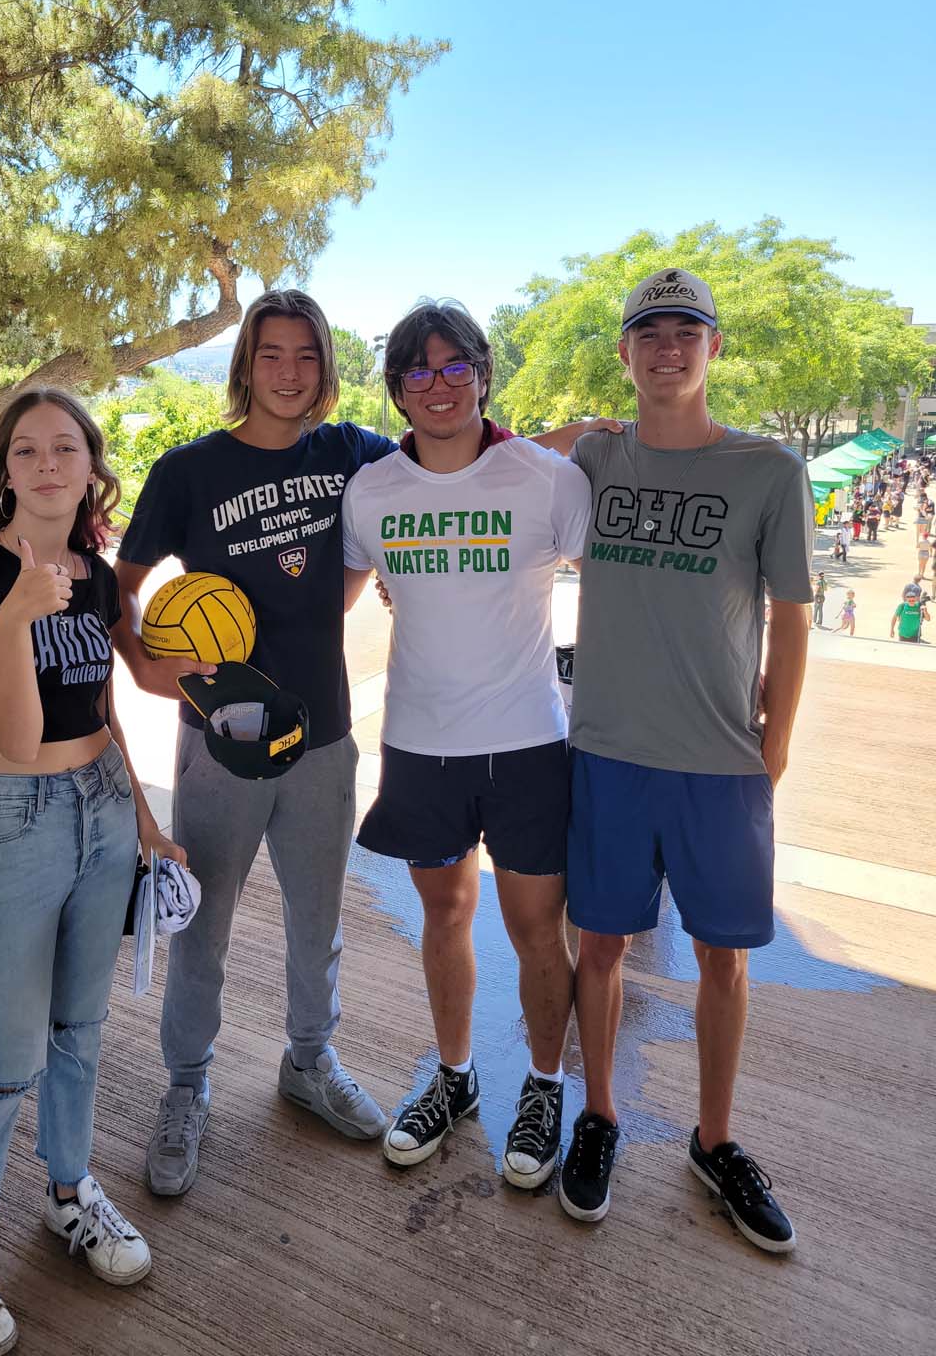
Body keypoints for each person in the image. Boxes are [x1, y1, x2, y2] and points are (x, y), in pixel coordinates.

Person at [0, 388, 183, 1356]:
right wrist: (21, 615)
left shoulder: (98, 576)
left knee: (82, 1031)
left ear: (92, 465)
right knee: (3, 1060)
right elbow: (15, 737)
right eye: (29, 450)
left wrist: (149, 822)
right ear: (5, 470)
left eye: (68, 447)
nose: (50, 464)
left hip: (103, 813)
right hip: (14, 824)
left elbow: (102, 709)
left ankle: (71, 1193)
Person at [114, 290, 396, 1198]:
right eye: (271, 354)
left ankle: (309, 1062)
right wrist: (153, 672)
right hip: (221, 738)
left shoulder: (352, 453)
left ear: (325, 366)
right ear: (245, 364)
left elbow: (451, 462)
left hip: (323, 733)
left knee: (320, 920)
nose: (289, 372)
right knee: (205, 923)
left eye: (306, 355)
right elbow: (120, 587)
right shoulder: (189, 470)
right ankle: (186, 1086)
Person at [563, 268, 812, 1255]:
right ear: (626, 353)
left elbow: (791, 621)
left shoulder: (768, 469)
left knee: (724, 956)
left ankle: (715, 1138)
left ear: (714, 348)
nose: (668, 348)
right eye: (649, 332)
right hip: (609, 750)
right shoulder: (591, 460)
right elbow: (499, 465)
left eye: (687, 332)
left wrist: (775, 744)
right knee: (602, 947)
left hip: (720, 760)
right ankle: (600, 1113)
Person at [342, 302, 592, 1186]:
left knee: (534, 931)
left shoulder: (545, 478)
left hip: (527, 744)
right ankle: (454, 1079)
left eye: (456, 368)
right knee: (443, 916)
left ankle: (545, 1084)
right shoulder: (372, 491)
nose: (439, 385)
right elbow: (329, 599)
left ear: (484, 375)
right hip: (419, 745)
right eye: (419, 371)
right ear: (398, 390)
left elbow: (623, 588)